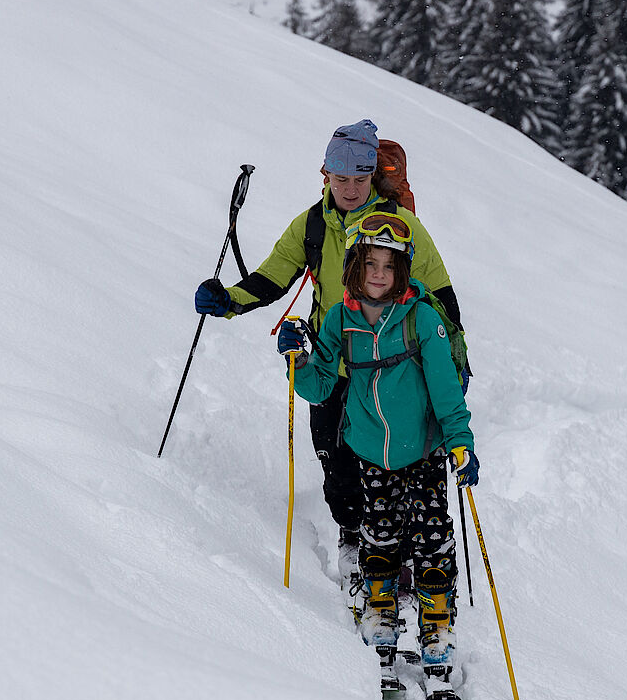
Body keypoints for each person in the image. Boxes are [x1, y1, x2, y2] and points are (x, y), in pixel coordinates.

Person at [192, 119, 467, 591]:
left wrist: (455, 356)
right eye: (341, 179)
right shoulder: (313, 225)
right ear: (326, 176)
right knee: (337, 464)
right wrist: (229, 301)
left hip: (393, 368)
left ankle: (393, 550)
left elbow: (440, 291)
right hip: (330, 361)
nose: (350, 189)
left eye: (360, 179)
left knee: (391, 461)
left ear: (371, 177)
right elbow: (273, 276)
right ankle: (351, 537)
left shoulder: (400, 227)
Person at [276, 214, 478, 694]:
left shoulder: (421, 318)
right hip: (370, 450)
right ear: (353, 267)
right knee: (379, 538)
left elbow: (447, 391)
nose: (380, 275)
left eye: (390, 266)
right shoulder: (340, 320)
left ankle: (438, 630)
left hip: (424, 451)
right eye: (371, 265)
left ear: (403, 271)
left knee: (432, 540)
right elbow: (320, 384)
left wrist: (461, 444)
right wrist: (299, 361)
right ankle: (380, 618)